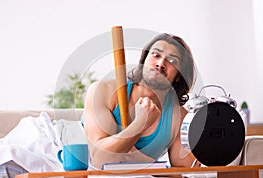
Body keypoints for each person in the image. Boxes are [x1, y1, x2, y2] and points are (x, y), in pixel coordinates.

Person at [82, 33, 201, 169]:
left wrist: (130, 155)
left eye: (172, 61)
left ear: (179, 76)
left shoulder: (179, 117)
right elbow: (101, 159)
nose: (161, 64)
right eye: (156, 55)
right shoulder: (103, 91)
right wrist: (141, 123)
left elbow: (185, 172)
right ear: (144, 60)